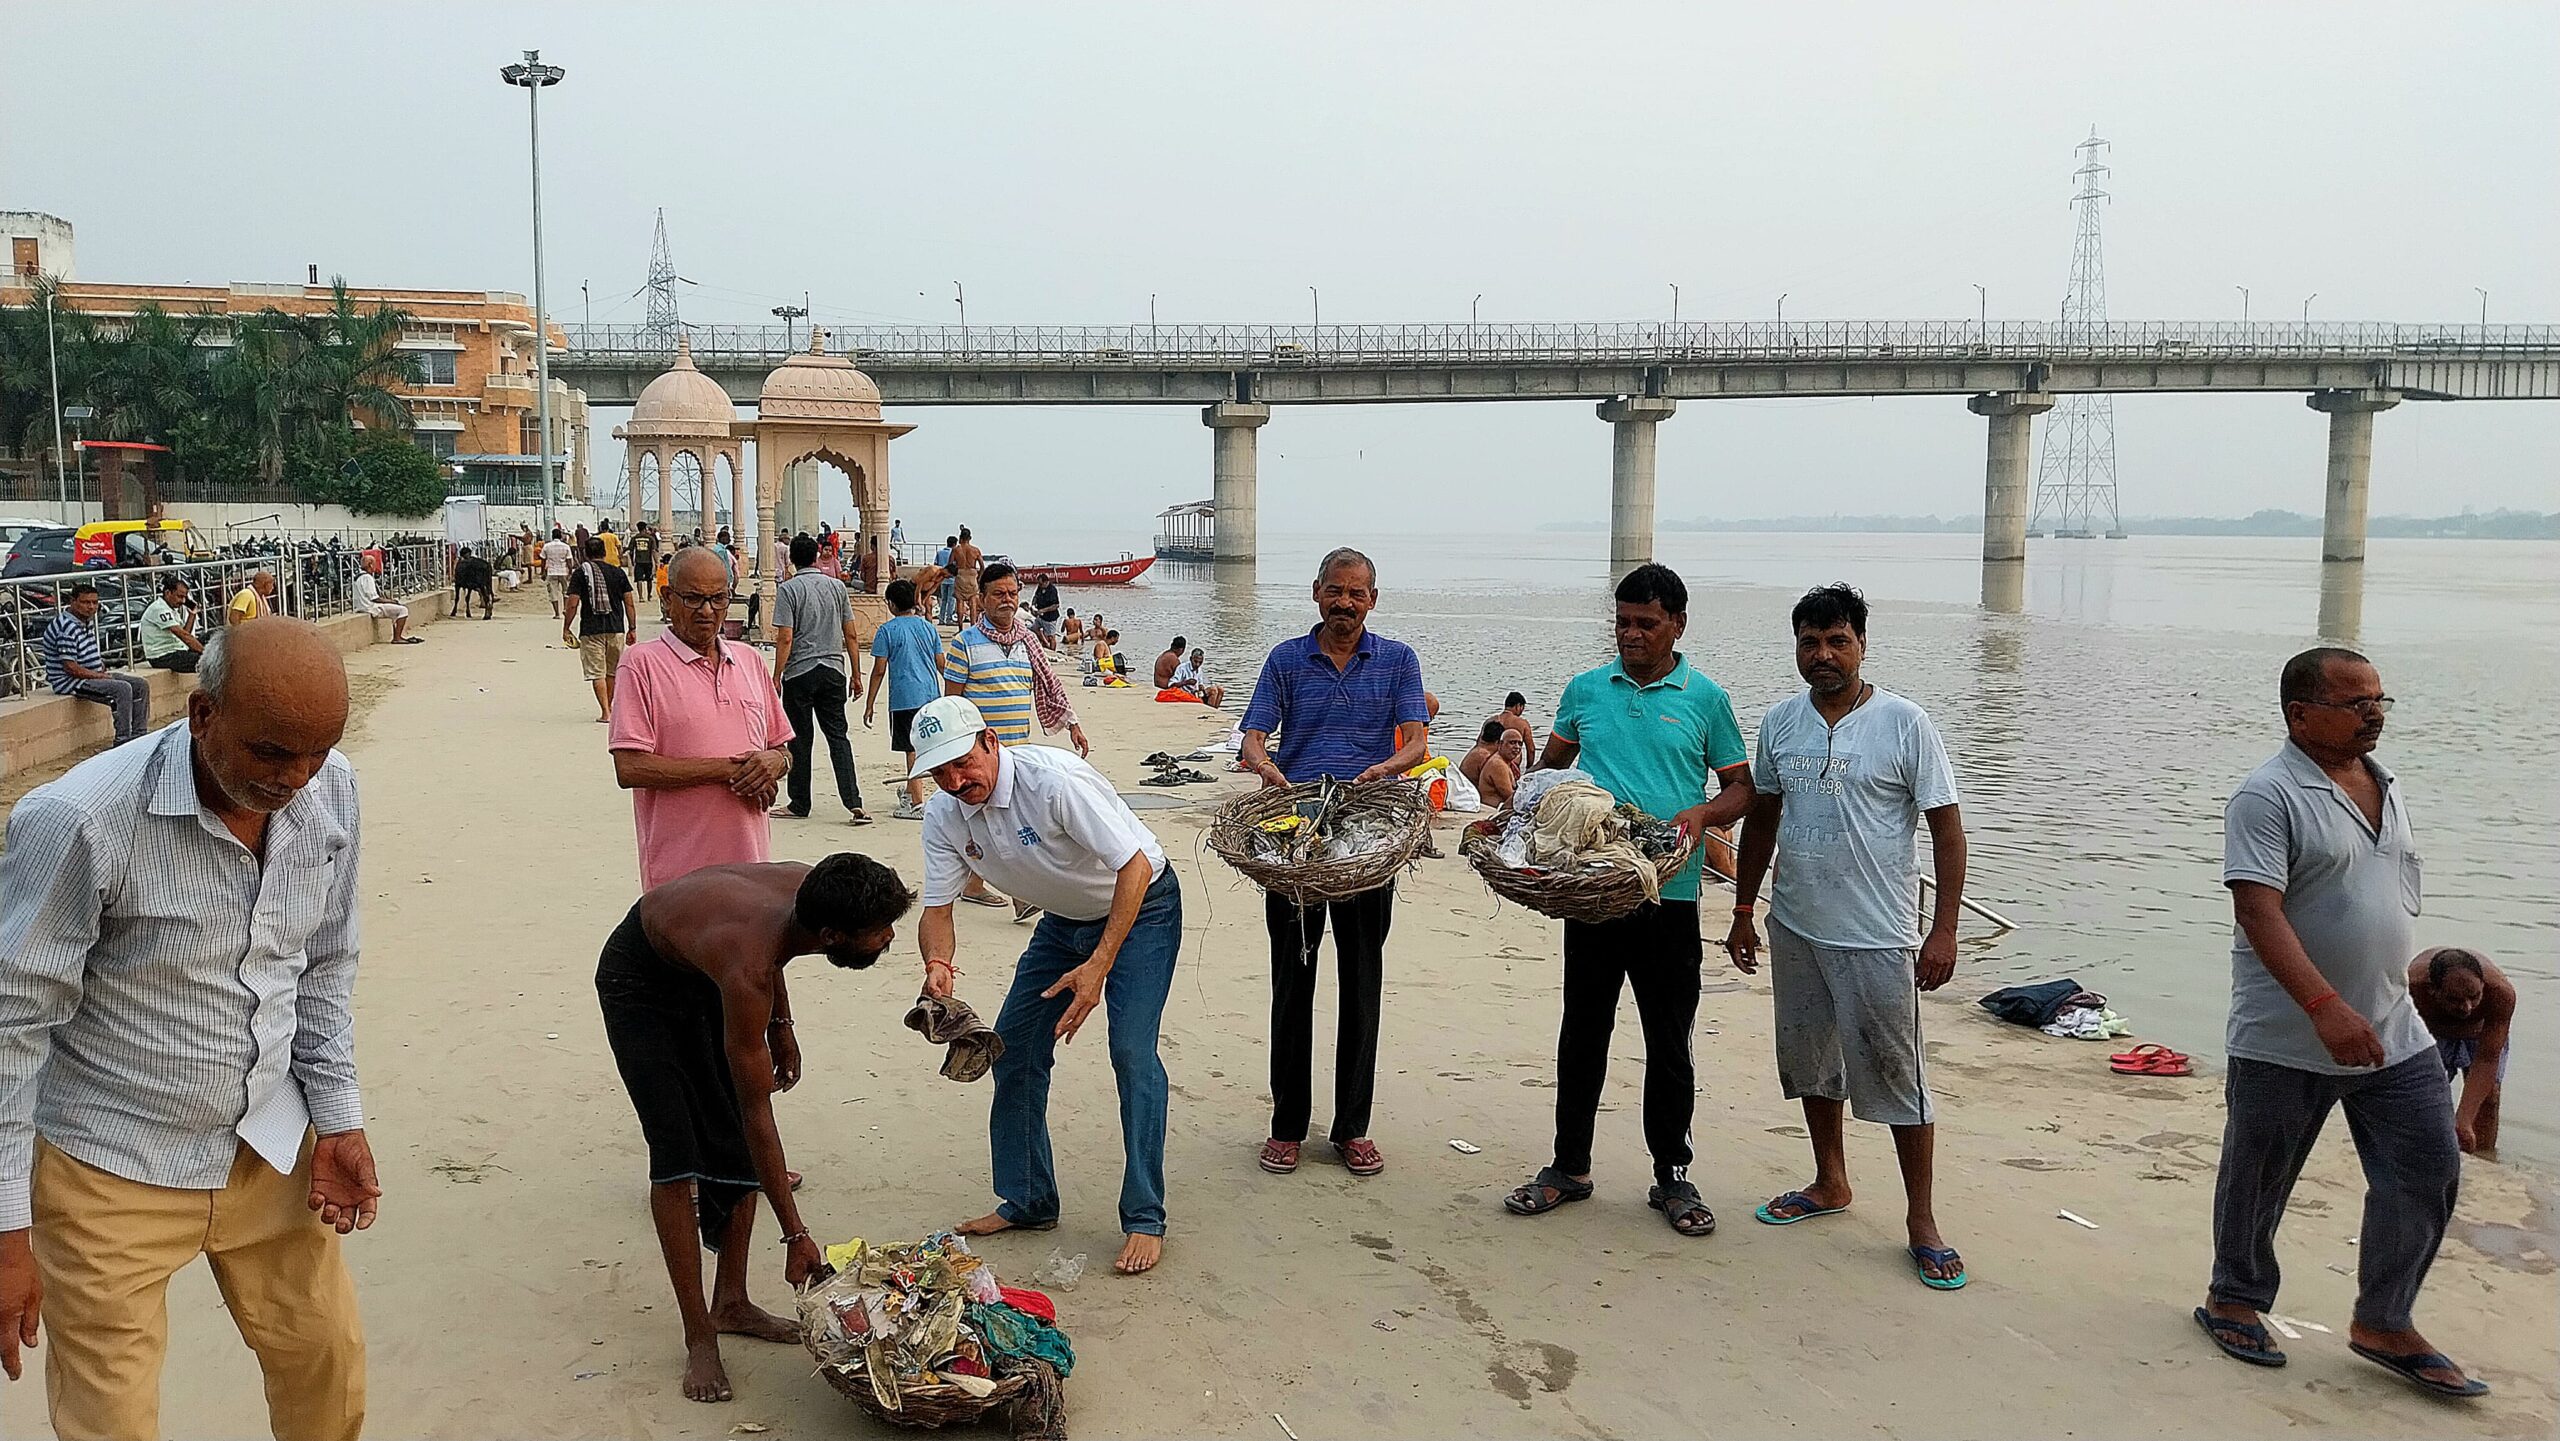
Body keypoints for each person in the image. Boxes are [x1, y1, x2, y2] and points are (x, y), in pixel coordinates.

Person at [0, 618, 376, 1440]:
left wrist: (339, 1116)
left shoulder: (330, 788)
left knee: (329, 1369)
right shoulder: (80, 820)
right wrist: (4, 1228)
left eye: (318, 751)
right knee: (112, 1419)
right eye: (274, 752)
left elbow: (324, 965)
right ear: (201, 715)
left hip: (267, 1148)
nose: (297, 777)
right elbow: (10, 1027)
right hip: (109, 1169)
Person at [2188, 646, 2484, 1397]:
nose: (2374, 713)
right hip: (2288, 1031)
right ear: (2300, 713)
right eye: (2356, 703)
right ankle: (2235, 1295)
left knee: (2427, 1166)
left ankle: (2384, 1319)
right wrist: (2323, 1005)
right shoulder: (2267, 794)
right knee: (2259, 1177)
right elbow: (2258, 907)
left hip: (2394, 1029)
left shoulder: (2386, 784)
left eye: (2381, 700)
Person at [598, 853, 912, 1404]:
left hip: (703, 963)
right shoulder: (746, 966)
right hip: (639, 981)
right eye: (878, 932)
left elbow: (779, 950)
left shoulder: (811, 889)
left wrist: (781, 1026)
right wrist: (796, 1234)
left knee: (736, 1153)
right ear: (833, 935)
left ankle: (732, 1302)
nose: (888, 938)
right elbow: (755, 1112)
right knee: (678, 1156)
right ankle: (700, 1335)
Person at [1725, 582, 1970, 1290]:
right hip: (1796, 922)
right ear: (1796, 647)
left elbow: (1947, 831)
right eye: (1810, 641)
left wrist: (1943, 930)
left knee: (1898, 1075)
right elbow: (1764, 816)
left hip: (1878, 934)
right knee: (1811, 1063)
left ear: (1862, 644)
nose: (1823, 655)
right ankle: (1830, 1180)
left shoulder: (1906, 723)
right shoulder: (1780, 722)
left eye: (1837, 641)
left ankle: (1921, 1219)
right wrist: (1744, 907)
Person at [1505, 564, 1754, 1237]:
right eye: (1623, 621)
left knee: (1668, 1039)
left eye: (1646, 622)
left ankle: (1672, 1173)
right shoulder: (1586, 689)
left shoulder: (1706, 698)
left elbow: (1742, 786)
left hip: (1669, 894)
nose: (1632, 634)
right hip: (1593, 891)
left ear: (1678, 623)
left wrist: (1703, 815)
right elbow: (1550, 774)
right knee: (1582, 1029)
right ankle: (1569, 1167)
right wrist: (1510, 816)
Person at [911, 698, 1184, 1277]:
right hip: (1063, 922)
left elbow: (1134, 866)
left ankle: (1144, 1216)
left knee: (1132, 1053)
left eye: (962, 762)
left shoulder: (1054, 782)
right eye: (940, 772)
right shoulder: (943, 815)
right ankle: (1029, 1199)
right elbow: (937, 908)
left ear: (989, 741)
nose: (957, 781)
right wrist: (937, 966)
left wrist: (1099, 967)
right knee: (1013, 1048)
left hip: (1142, 908)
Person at [1239, 547, 1431, 1178]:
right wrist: (1265, 767)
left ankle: (1352, 1128)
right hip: (1297, 838)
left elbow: (1416, 742)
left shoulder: (1398, 660)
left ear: (1372, 599)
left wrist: (1382, 770)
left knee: (1362, 981)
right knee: (1292, 983)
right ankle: (1288, 1125)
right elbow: (1254, 735)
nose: (1345, 603)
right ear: (1315, 592)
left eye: (1357, 594)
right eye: (1335, 591)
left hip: (1368, 840)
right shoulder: (1286, 659)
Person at [609, 548, 795, 891]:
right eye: (693, 599)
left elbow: (781, 749)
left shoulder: (750, 661)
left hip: (753, 870)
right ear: (668, 598)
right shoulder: (641, 664)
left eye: (718, 598)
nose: (708, 611)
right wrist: (730, 770)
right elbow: (630, 768)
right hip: (679, 879)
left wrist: (775, 762)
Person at [770, 534, 869, 825]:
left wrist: (777, 674)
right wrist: (856, 673)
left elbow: (785, 636)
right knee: (838, 736)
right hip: (833, 670)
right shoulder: (837, 587)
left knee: (800, 740)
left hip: (800, 672)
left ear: (791, 559)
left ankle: (799, 803)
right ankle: (854, 803)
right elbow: (850, 633)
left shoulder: (788, 590)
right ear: (816, 556)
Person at [2408, 947, 2511, 1156]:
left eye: (2474, 996)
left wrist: (2464, 1120)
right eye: (2454, 999)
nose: (2467, 1007)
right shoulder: (2411, 987)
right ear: (2433, 990)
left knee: (2488, 1100)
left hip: (2479, 1034)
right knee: (2421, 1099)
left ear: (2483, 985)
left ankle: (2482, 1160)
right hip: (2429, 1031)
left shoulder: (2501, 993)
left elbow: (2487, 1059)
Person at [865, 578, 944, 821]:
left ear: (891, 604)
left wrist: (870, 704)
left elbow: (879, 670)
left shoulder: (887, 631)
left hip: (904, 698)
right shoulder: (928, 627)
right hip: (930, 695)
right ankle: (913, 793)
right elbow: (941, 663)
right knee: (930, 746)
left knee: (911, 749)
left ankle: (917, 803)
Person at [42, 583, 152, 746]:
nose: (91, 607)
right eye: (86, 602)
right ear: (73, 602)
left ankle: (139, 735)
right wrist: (100, 676)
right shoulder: (66, 628)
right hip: (71, 681)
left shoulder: (85, 621)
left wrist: (100, 668)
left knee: (140, 685)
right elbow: (70, 668)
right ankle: (122, 740)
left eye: (94, 602)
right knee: (122, 689)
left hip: (91, 674)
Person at [565, 536, 639, 724]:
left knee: (597, 672)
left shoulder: (581, 573)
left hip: (591, 629)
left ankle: (605, 711)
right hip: (616, 628)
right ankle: (611, 706)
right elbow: (629, 603)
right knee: (612, 671)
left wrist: (566, 627)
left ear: (585, 553)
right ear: (605, 552)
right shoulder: (618, 573)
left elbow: (572, 604)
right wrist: (632, 627)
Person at [139, 573, 205, 673]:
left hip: (176, 650)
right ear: (168, 593)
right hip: (162, 656)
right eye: (179, 596)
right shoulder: (159, 609)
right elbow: (183, 635)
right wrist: (206, 653)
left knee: (212, 636)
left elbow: (185, 633)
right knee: (207, 661)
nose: (183, 601)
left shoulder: (171, 609)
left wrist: (192, 614)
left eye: (184, 598)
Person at [353, 553, 418, 644]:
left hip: (361, 606)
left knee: (394, 611)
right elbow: (375, 598)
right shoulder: (367, 578)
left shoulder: (357, 577)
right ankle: (397, 637)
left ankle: (397, 636)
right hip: (371, 607)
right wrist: (392, 601)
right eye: (374, 564)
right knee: (403, 610)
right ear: (370, 565)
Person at [1458, 718, 1517, 810]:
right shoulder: (1485, 756)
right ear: (1499, 743)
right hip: (1470, 798)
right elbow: (1507, 794)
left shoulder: (1478, 750)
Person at [452, 545, 496, 619]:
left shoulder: (460, 564)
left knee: (480, 589)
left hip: (467, 581)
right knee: (484, 588)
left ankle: (456, 609)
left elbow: (457, 582)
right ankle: (487, 609)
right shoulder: (481, 562)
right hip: (473, 581)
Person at [951, 526, 983, 624]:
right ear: (970, 538)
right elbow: (982, 566)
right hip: (972, 575)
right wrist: (979, 577)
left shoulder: (956, 550)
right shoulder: (975, 550)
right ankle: (972, 625)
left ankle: (960, 627)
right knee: (973, 602)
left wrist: (955, 574)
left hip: (960, 574)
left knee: (960, 602)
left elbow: (950, 564)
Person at [542, 528, 574, 618]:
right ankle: (565, 609)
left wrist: (543, 572)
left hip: (551, 571)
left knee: (553, 593)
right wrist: (570, 572)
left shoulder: (547, 546)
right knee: (566, 591)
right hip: (563, 571)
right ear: (561, 536)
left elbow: (543, 560)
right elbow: (569, 561)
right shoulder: (566, 546)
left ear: (552, 536)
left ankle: (557, 613)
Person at [1030, 571, 1063, 649]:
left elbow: (1056, 605)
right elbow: (1035, 596)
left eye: (1041, 584)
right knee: (1034, 629)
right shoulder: (1039, 588)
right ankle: (1044, 642)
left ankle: (1053, 651)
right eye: (1039, 584)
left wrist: (1043, 610)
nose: (1040, 586)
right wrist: (1033, 605)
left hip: (1050, 618)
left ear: (1046, 582)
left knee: (1051, 636)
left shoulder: (1052, 590)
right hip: (1040, 617)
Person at [630, 522, 658, 599]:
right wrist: (656, 562)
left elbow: (631, 551)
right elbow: (653, 551)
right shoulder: (650, 538)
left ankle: (641, 597)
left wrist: (632, 560)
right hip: (648, 561)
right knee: (649, 579)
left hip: (638, 561)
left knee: (639, 579)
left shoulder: (635, 538)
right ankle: (649, 595)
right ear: (645, 528)